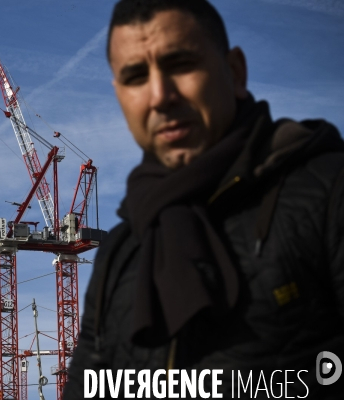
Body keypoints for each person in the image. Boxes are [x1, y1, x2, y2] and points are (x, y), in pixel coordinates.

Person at [63, 0, 344, 398]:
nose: (160, 96)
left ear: (235, 72)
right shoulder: (121, 252)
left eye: (180, 64)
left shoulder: (328, 190)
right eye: (136, 77)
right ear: (119, 95)